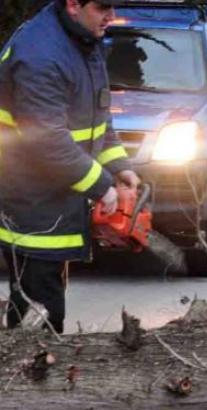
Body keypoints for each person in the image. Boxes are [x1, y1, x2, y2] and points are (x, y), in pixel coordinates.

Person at [0, 0, 139, 333]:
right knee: (39, 311)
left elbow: (95, 119)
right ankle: (27, 381)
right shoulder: (40, 55)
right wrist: (101, 185)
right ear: (74, 4)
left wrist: (118, 165)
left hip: (57, 196)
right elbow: (46, 141)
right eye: (102, 7)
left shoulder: (81, 42)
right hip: (31, 201)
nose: (111, 16)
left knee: (45, 304)